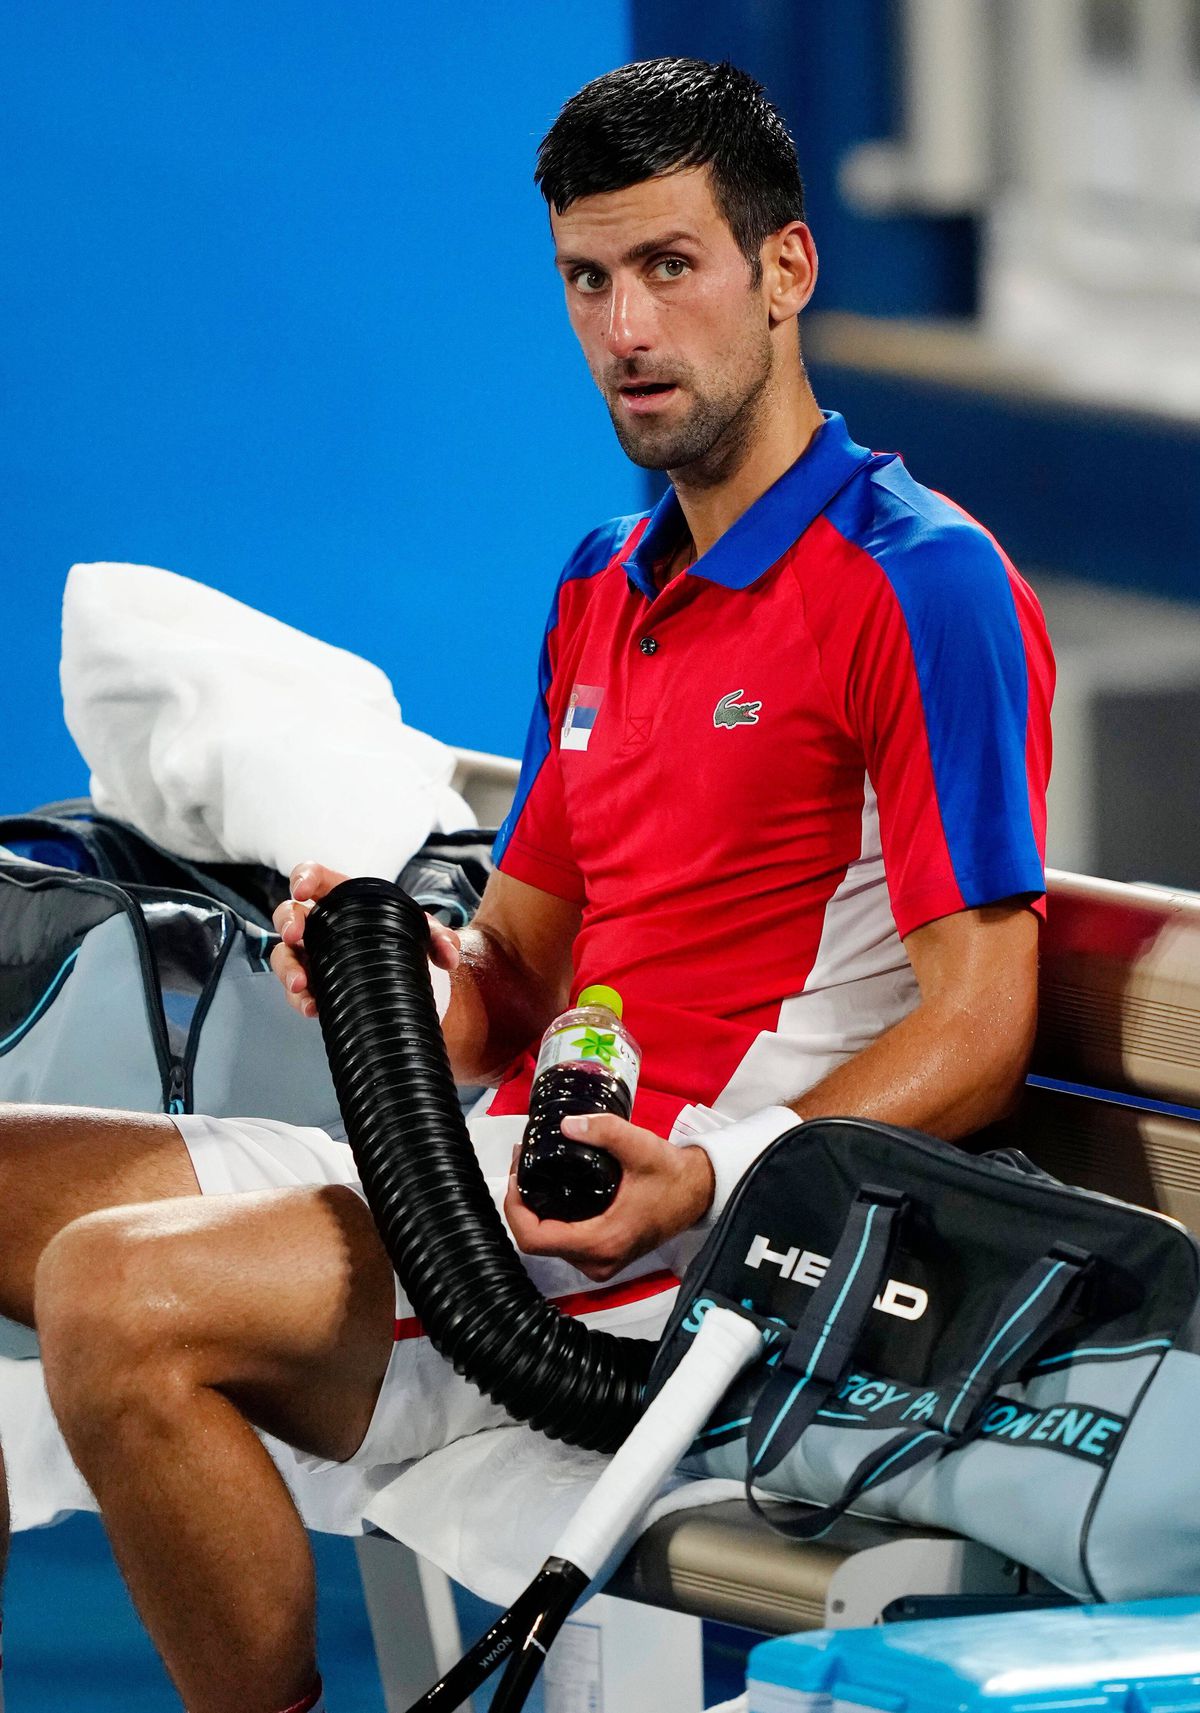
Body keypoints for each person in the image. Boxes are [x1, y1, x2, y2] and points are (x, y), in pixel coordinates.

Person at [0, 57, 1052, 1713]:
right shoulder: (603, 583)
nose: (626, 328)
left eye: (669, 267)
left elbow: (986, 1020)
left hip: (688, 1269)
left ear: (786, 270)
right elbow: (504, 994)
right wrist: (384, 973)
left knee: (111, 1292)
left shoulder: (925, 584)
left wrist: (711, 1187)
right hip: (520, 1192)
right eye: (587, 278)